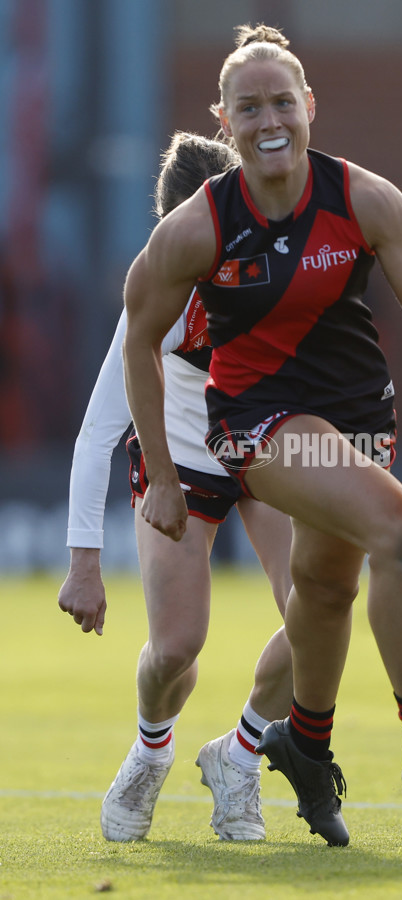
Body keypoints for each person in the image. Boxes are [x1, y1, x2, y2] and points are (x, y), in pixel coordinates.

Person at [122, 25, 402, 848]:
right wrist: (160, 473)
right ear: (223, 123)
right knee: (400, 531)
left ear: (310, 107)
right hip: (260, 423)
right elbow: (137, 347)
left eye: (282, 101)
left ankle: (300, 742)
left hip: (360, 415)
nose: (270, 119)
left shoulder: (366, 200)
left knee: (325, 594)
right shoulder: (194, 232)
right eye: (248, 106)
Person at [58, 132, 306, 843]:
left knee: (320, 610)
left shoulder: (277, 267)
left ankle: (240, 754)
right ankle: (150, 751)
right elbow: (97, 430)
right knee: (176, 648)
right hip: (181, 457)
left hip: (264, 441)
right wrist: (83, 561)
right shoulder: (161, 285)